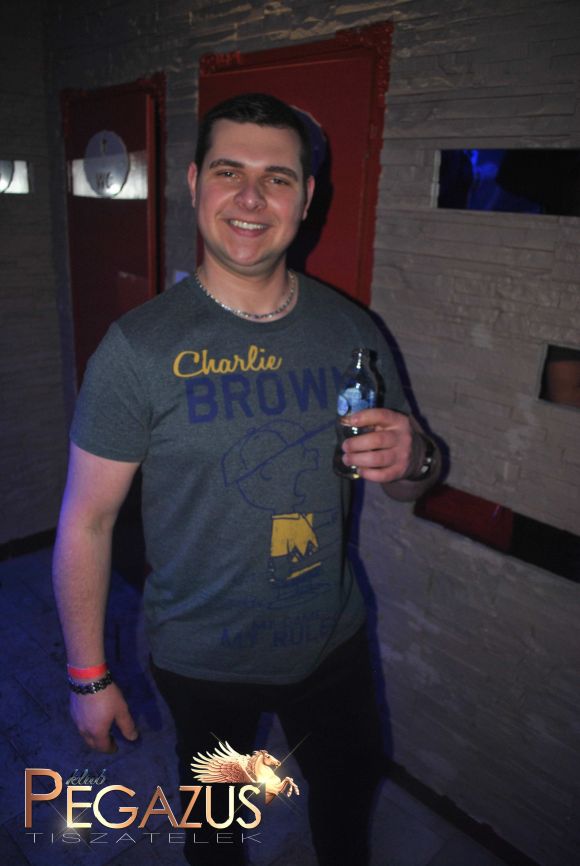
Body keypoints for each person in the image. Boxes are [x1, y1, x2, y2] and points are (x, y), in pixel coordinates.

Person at [52, 93, 442, 866]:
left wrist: (417, 457)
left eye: (278, 178)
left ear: (307, 196)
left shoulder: (351, 330)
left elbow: (405, 482)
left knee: (346, 804)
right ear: (196, 183)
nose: (252, 198)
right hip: (204, 662)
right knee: (216, 832)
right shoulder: (138, 350)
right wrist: (89, 677)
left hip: (330, 643)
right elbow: (86, 521)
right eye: (230, 172)